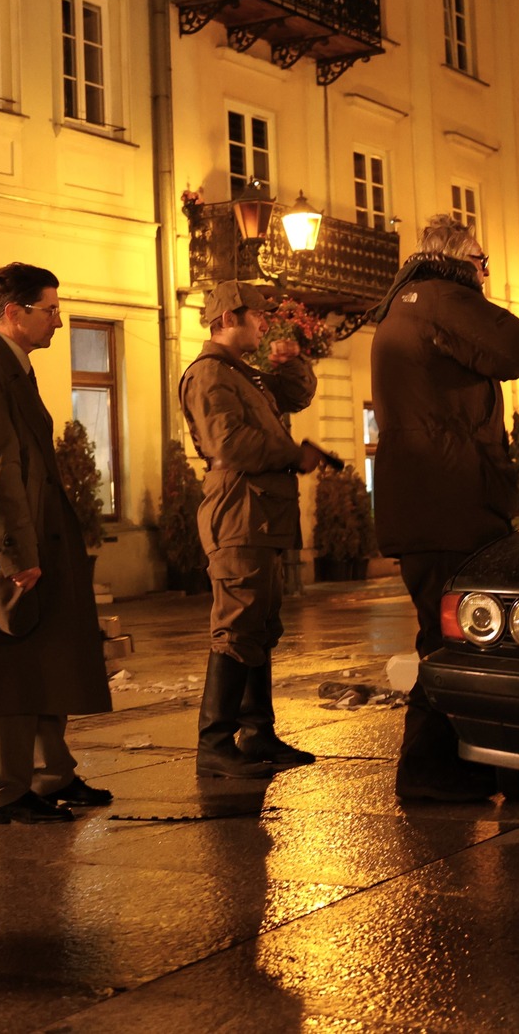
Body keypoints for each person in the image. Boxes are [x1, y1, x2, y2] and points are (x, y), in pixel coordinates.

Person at [370, 215, 519, 802]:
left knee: (448, 633)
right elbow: (505, 345)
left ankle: (450, 766)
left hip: (425, 500)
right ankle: (430, 770)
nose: (485, 274)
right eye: (483, 263)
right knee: (460, 635)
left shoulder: (402, 305)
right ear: (460, 261)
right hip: (451, 497)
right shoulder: (443, 298)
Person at [0, 262, 113, 824]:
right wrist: (15, 554)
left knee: (41, 658)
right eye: (49, 310)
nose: (58, 320)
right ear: (14, 313)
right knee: (4, 667)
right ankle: (3, 791)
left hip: (28, 540)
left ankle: (49, 772)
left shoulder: (10, 365)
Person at [179, 280, 323, 778]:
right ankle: (215, 742)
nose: (265, 324)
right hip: (239, 510)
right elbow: (229, 442)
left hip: (260, 513)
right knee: (237, 623)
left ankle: (257, 731)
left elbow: (296, 396)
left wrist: (293, 362)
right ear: (227, 319)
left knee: (260, 623)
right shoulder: (209, 374)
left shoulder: (244, 375)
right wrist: (294, 454)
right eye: (257, 316)